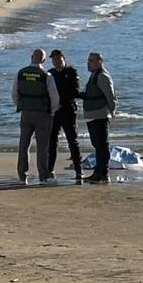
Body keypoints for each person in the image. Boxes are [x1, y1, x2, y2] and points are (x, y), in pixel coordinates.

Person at [12, 48, 60, 184]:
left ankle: (22, 175)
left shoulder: (20, 73)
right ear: (44, 60)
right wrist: (51, 112)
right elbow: (55, 97)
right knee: (42, 147)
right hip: (42, 114)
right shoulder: (46, 75)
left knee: (23, 145)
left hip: (26, 113)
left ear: (31, 57)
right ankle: (43, 176)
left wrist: (22, 106)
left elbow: (14, 94)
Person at [47, 49, 84, 183]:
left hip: (68, 110)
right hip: (55, 111)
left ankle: (79, 171)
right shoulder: (50, 73)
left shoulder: (71, 71)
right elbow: (48, 92)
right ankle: (50, 170)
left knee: (72, 141)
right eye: (53, 59)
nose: (56, 61)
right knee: (52, 142)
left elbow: (75, 91)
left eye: (58, 58)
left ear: (63, 58)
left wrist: (61, 101)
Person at [81, 52, 117, 183]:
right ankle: (98, 171)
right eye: (88, 60)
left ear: (99, 61)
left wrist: (112, 111)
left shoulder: (102, 76)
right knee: (97, 145)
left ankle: (103, 173)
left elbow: (111, 97)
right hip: (92, 115)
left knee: (102, 145)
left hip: (100, 114)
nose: (88, 63)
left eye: (90, 61)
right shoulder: (93, 76)